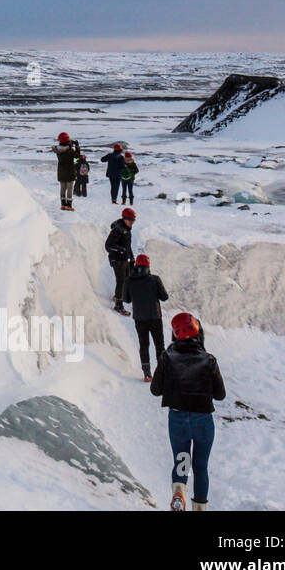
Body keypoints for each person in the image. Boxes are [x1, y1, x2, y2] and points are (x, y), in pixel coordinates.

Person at [151, 312, 227, 511]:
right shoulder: (209, 360)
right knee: (200, 466)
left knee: (181, 461)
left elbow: (155, 390)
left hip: (178, 419)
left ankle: (178, 493)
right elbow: (220, 395)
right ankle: (200, 508)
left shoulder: (168, 357)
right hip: (202, 420)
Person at [124, 253, 168, 381]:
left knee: (144, 345)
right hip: (155, 317)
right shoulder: (155, 280)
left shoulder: (129, 281)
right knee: (159, 345)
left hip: (139, 318)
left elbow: (126, 299)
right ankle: (162, 372)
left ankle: (147, 374)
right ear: (148, 265)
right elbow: (164, 297)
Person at [104, 207, 136, 315]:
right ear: (124, 218)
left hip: (124, 258)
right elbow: (108, 246)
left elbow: (127, 245)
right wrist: (121, 250)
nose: (132, 223)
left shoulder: (126, 229)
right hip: (116, 259)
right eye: (130, 220)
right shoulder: (117, 230)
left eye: (133, 220)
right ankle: (118, 305)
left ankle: (117, 295)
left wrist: (131, 257)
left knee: (127, 277)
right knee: (121, 281)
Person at [50, 131, 80, 211]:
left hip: (61, 171)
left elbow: (65, 147)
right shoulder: (70, 151)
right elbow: (77, 156)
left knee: (62, 188)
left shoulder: (58, 150)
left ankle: (63, 204)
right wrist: (77, 146)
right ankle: (69, 205)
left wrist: (69, 145)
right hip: (70, 171)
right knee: (69, 189)